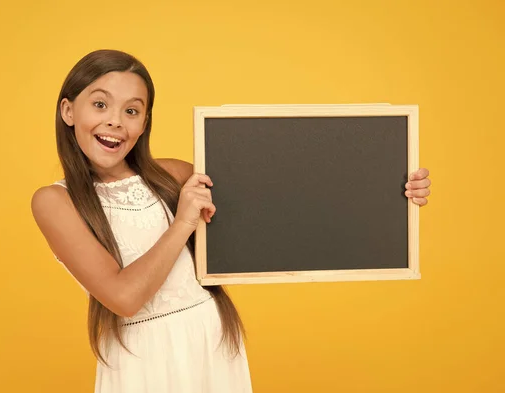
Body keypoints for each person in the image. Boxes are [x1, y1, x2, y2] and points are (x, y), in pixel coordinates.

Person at [31, 49, 432, 393]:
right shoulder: (55, 201)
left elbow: (289, 202)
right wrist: (183, 222)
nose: (116, 120)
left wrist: (394, 190)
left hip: (212, 340)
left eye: (132, 110)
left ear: (145, 122)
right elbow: (123, 299)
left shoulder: (171, 174)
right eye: (100, 104)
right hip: (144, 356)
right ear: (68, 110)